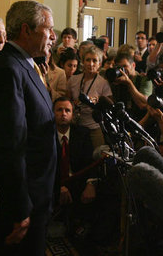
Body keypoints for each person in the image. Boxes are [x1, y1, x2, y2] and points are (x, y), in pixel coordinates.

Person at [0, 0, 57, 255]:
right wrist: (20, 208)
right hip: (21, 205)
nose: (53, 36)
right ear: (26, 30)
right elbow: (9, 146)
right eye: (48, 29)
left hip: (36, 197)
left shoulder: (26, 65)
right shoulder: (7, 69)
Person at [53, 97, 97, 230]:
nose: (63, 114)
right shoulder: (45, 135)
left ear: (73, 114)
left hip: (77, 183)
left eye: (67, 110)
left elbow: (90, 161)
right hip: (53, 184)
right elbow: (43, 168)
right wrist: (58, 187)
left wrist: (91, 183)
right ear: (52, 113)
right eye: (59, 110)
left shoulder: (82, 133)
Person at [66, 45, 113, 149]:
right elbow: (67, 101)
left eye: (94, 60)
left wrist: (97, 102)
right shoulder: (73, 80)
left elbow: (109, 105)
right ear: (83, 61)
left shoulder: (103, 83)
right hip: (75, 125)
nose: (91, 64)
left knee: (98, 155)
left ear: (99, 64)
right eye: (87, 60)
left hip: (94, 126)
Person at [109, 53, 152, 121]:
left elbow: (144, 103)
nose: (122, 70)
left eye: (125, 66)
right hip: (122, 120)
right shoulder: (117, 82)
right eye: (119, 68)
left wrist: (129, 83)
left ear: (133, 65)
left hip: (141, 120)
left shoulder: (144, 79)